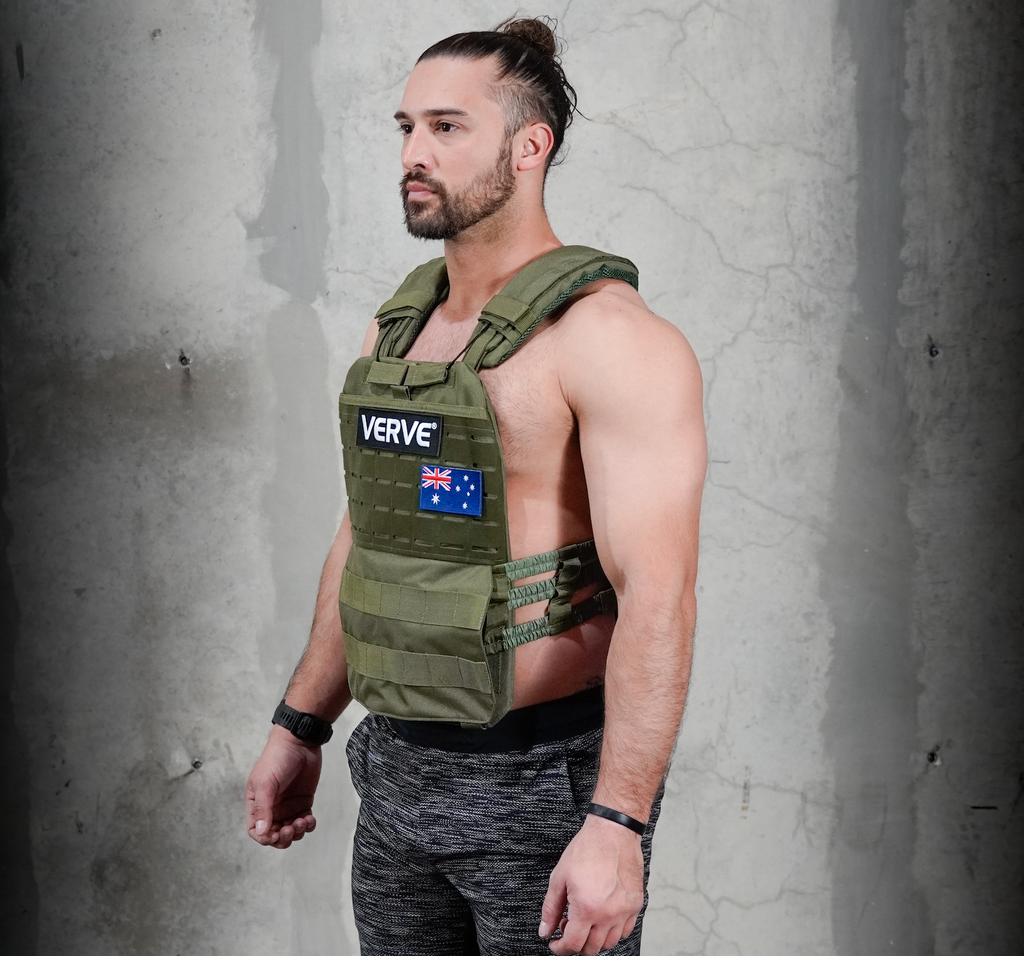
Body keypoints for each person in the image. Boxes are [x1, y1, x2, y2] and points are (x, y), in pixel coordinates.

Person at [245, 16, 706, 956]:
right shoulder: (397, 333)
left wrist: (619, 823)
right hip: (396, 773)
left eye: (447, 127)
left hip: (542, 788)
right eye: (406, 126)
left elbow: (660, 595)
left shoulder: (610, 339)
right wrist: (302, 722)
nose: (413, 153)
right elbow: (369, 540)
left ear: (530, 146)